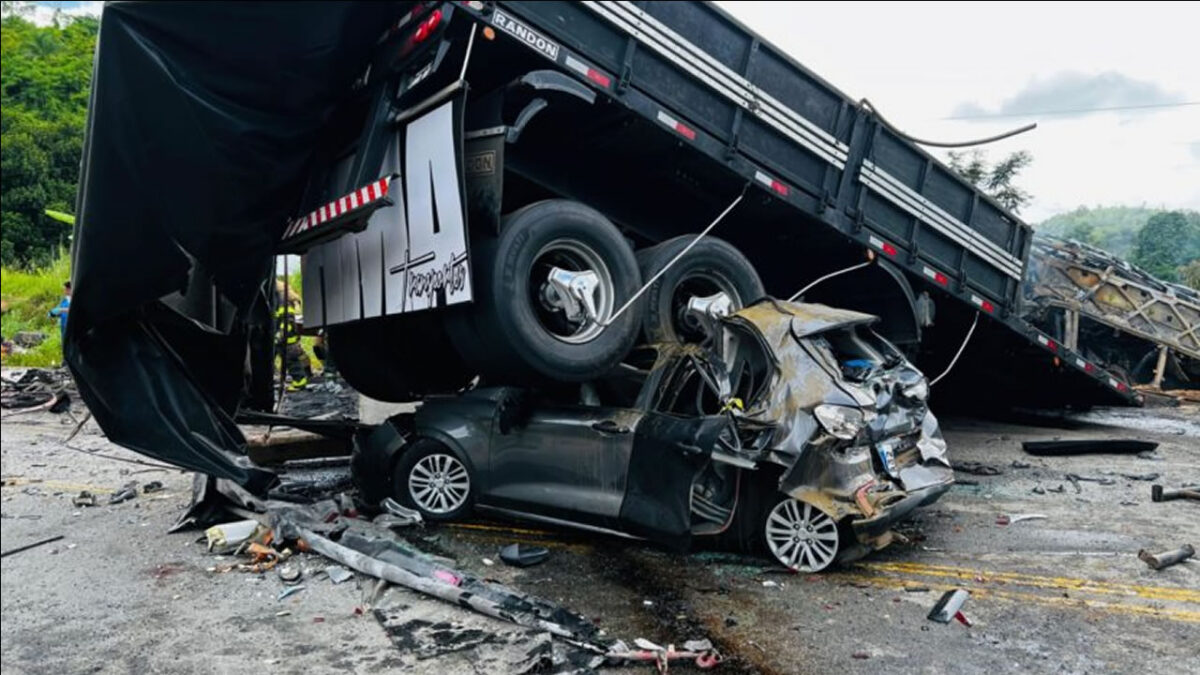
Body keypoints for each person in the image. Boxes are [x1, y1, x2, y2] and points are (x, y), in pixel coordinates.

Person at [274, 280, 312, 391]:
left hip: (286, 336)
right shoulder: (285, 297)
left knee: (291, 360)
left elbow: (286, 319)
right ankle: (303, 377)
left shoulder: (282, 300)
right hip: (288, 335)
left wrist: (280, 334)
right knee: (292, 358)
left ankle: (299, 382)